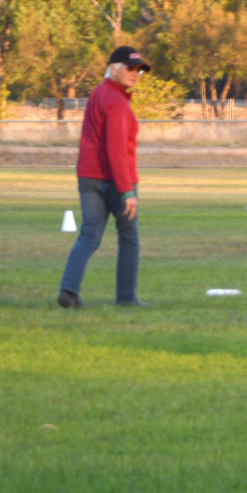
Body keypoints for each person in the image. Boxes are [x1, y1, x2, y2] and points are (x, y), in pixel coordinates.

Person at [57, 46, 152, 309]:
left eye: (139, 70)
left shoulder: (98, 93)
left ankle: (68, 290)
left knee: (89, 236)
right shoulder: (117, 101)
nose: (135, 74)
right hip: (114, 179)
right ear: (113, 68)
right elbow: (117, 150)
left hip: (88, 177)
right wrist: (127, 192)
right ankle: (126, 298)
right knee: (129, 238)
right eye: (130, 68)